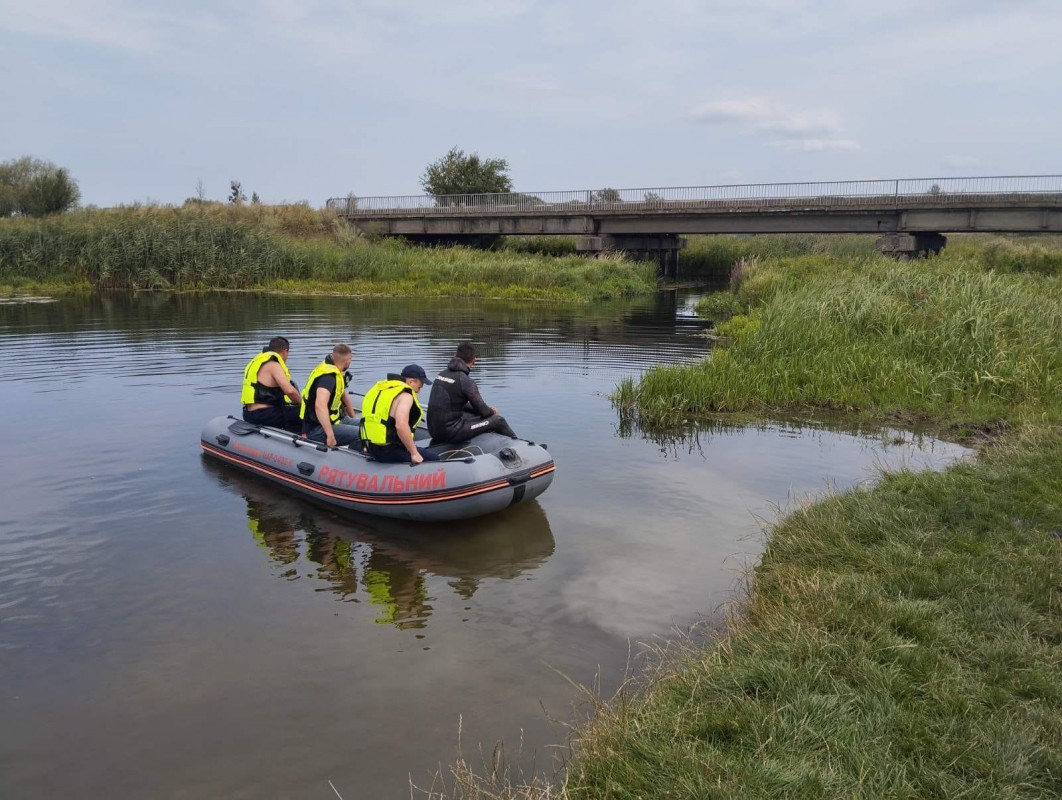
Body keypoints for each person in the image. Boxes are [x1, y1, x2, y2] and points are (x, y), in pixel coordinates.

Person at [427, 341, 517, 443]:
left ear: (454, 356)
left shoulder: (441, 374)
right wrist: (492, 411)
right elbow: (484, 412)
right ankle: (521, 447)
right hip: (449, 433)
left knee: (475, 414)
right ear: (474, 361)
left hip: (433, 431)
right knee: (497, 421)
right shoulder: (465, 380)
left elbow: (461, 404)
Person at [360, 365, 441, 464]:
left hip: (372, 447)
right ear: (411, 381)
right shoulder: (406, 396)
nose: (419, 390)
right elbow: (400, 426)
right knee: (435, 459)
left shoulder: (380, 389)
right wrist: (414, 453)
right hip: (389, 451)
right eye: (420, 386)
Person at [300, 344, 360, 447]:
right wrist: (330, 435)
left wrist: (354, 418)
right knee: (363, 434)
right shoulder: (328, 377)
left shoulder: (335, 369)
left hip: (336, 420)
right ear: (348, 361)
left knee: (368, 428)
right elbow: (320, 405)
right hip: (317, 429)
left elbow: (343, 395)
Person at [241, 336, 302, 432]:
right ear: (285, 351)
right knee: (305, 413)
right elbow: (290, 391)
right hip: (264, 415)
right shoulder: (274, 365)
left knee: (291, 411)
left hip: (248, 414)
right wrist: (304, 405)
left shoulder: (258, 362)